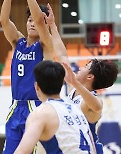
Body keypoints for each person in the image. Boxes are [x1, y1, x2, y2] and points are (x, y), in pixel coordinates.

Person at [44, 3, 119, 154]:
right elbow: (62, 55)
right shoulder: (74, 89)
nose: (80, 67)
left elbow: (98, 106)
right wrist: (52, 25)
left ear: (90, 76)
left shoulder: (90, 101)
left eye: (85, 66)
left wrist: (75, 82)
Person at [0, 0, 53, 153]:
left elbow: (39, 20)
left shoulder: (45, 45)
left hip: (36, 106)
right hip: (16, 106)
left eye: (35, 21)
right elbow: (4, 20)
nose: (32, 24)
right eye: (29, 20)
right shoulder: (18, 42)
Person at [14, 60, 96, 154]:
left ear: (36, 86)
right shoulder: (75, 109)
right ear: (61, 85)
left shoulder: (41, 112)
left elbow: (22, 151)